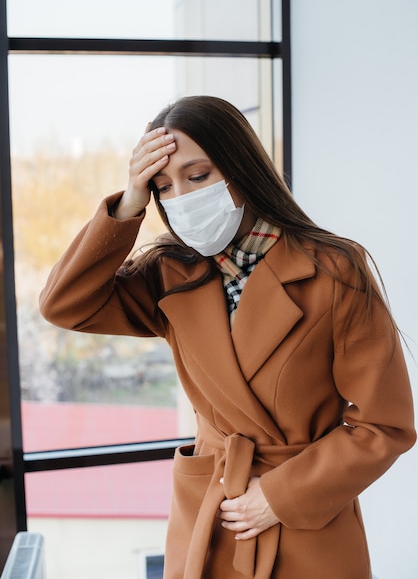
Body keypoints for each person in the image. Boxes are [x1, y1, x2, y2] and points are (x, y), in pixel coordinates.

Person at [40, 95, 415, 579]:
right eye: (162, 186)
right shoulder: (167, 273)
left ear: (240, 168)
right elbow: (64, 304)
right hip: (209, 511)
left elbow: (384, 425)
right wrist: (128, 203)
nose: (182, 198)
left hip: (304, 513)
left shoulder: (334, 270)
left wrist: (279, 496)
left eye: (199, 177)